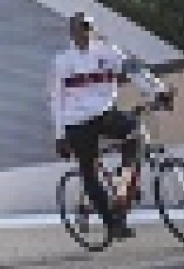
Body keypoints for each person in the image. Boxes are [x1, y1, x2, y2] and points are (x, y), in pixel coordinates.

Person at [52, 12, 174, 240]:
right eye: (80, 28)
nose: (84, 33)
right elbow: (57, 99)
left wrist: (159, 90)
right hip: (76, 123)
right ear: (71, 33)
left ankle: (122, 183)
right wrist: (59, 136)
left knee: (135, 136)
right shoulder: (62, 62)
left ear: (93, 29)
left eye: (88, 27)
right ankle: (113, 224)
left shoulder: (109, 52)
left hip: (105, 115)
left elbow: (135, 71)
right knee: (88, 173)